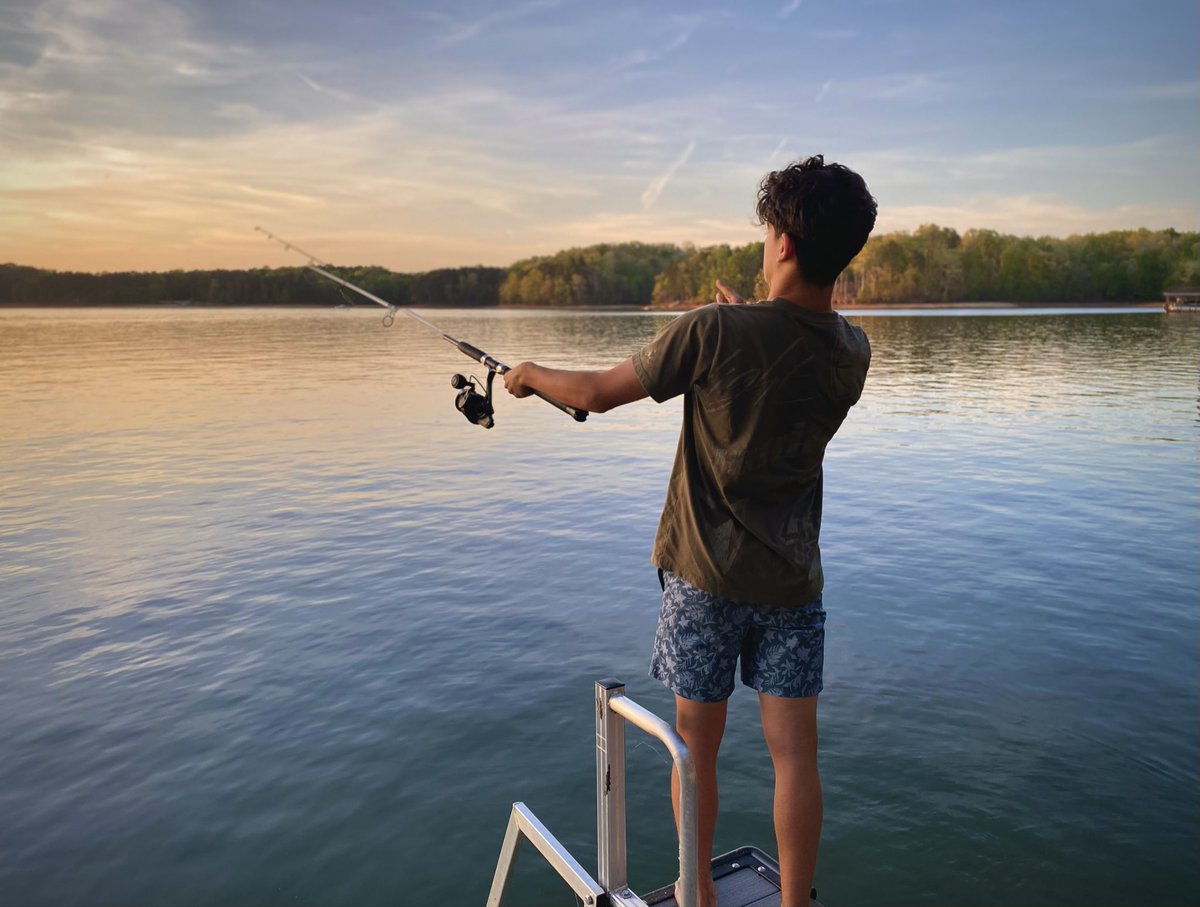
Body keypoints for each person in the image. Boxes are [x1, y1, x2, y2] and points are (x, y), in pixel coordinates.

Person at [503, 155, 876, 907]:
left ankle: (698, 896)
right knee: (795, 756)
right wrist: (748, 316)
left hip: (706, 579)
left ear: (785, 243)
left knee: (693, 753)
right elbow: (783, 354)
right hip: (794, 585)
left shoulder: (712, 331)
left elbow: (600, 394)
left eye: (771, 228)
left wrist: (530, 373)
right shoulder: (852, 352)